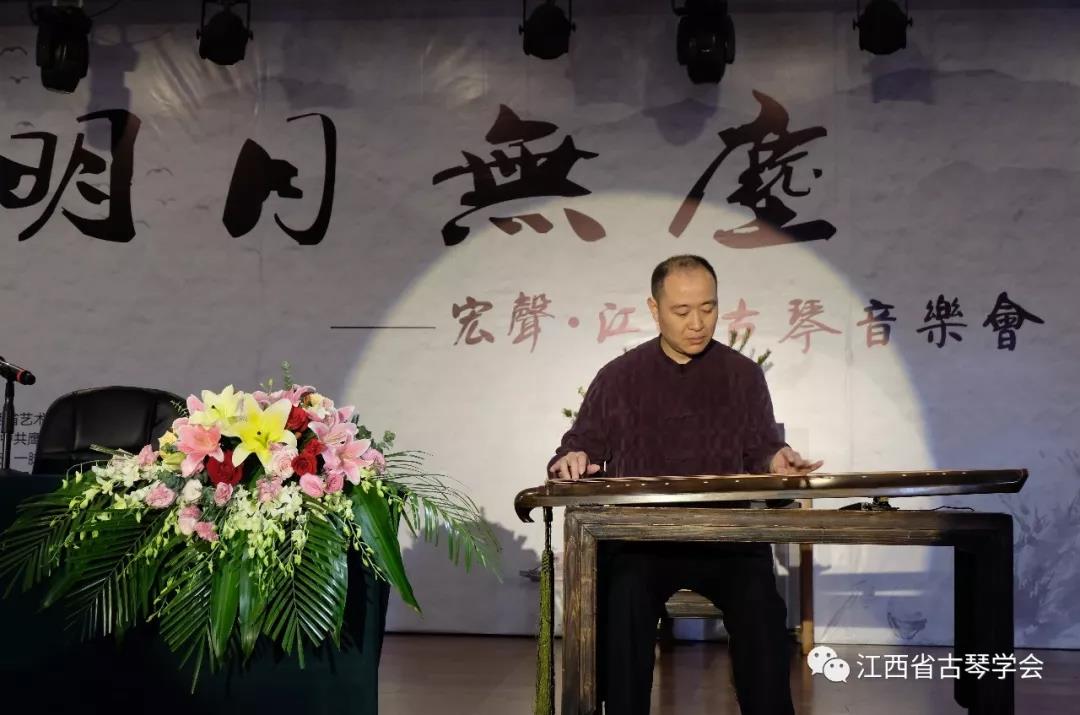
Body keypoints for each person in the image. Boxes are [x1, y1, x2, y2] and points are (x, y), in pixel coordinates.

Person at [547, 254, 823, 715]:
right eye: (681, 311)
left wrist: (780, 460)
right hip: (642, 542)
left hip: (726, 539)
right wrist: (571, 459)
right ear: (654, 310)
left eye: (708, 308)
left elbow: (762, 447)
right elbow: (580, 445)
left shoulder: (742, 375)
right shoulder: (619, 377)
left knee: (761, 608)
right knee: (623, 601)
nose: (697, 323)